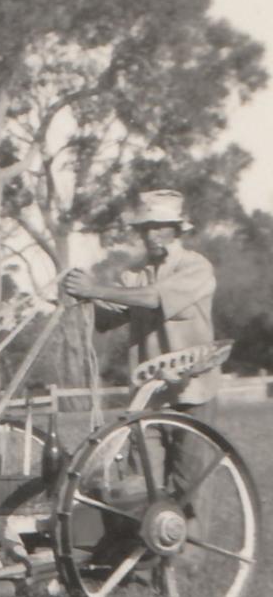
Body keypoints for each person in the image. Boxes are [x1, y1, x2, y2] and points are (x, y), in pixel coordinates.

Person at [61, 188, 219, 494]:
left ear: (176, 229)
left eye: (159, 226)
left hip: (193, 393)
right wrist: (78, 295)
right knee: (140, 488)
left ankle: (192, 543)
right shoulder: (134, 275)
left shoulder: (196, 267)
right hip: (148, 398)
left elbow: (153, 299)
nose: (151, 235)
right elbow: (108, 318)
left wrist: (96, 290)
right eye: (146, 228)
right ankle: (143, 542)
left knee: (189, 488)